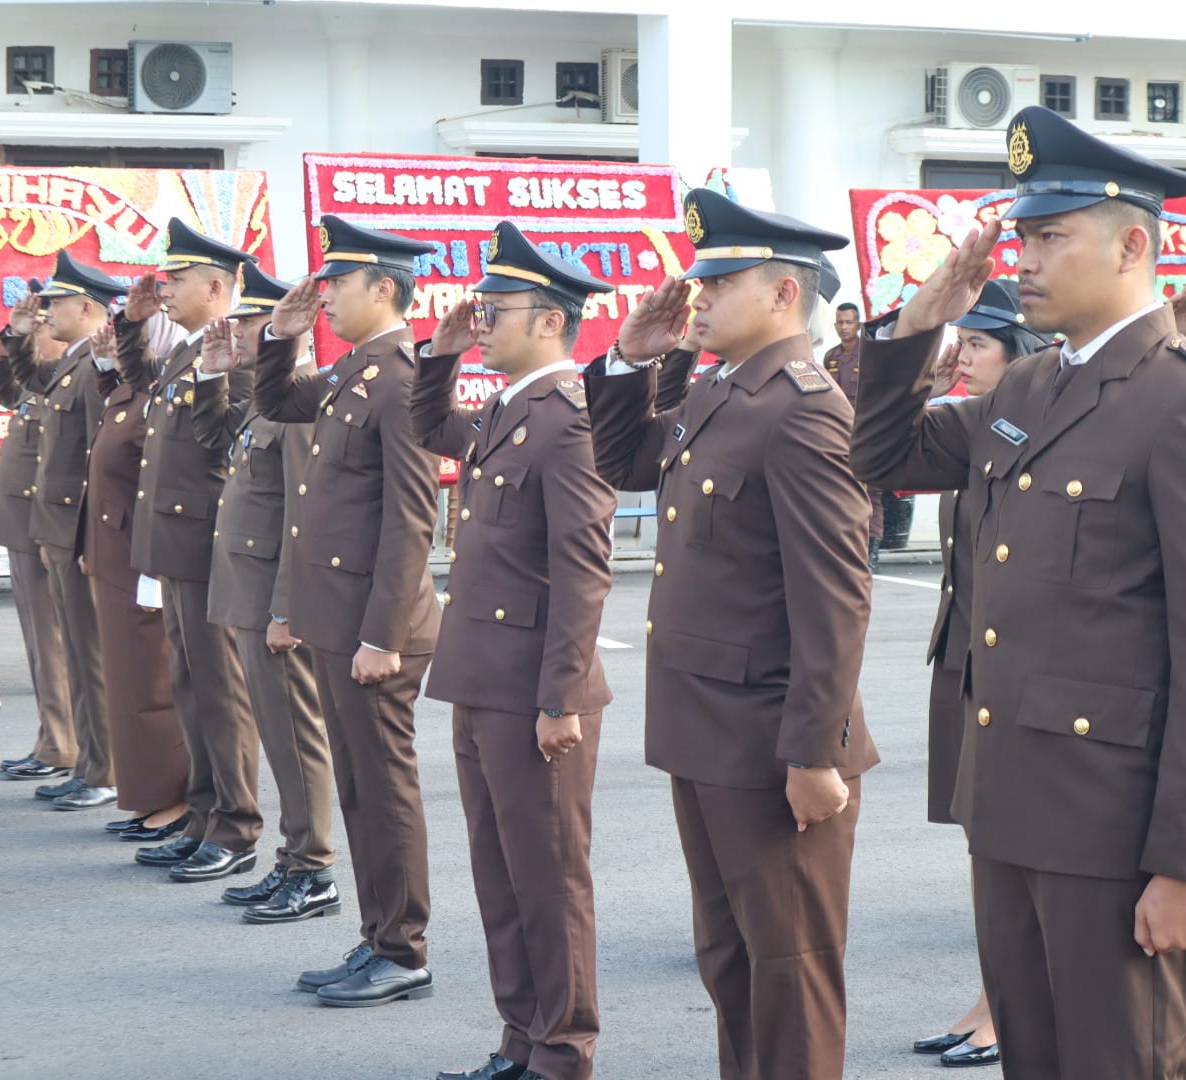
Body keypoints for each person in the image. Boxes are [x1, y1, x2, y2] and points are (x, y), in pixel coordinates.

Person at [850, 105, 1186, 1080]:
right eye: (1023, 236)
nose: (1024, 260)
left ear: (1132, 244)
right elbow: (883, 453)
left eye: (1050, 237)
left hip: (1118, 837)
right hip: (1014, 813)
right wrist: (925, 317)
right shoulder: (1028, 389)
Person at [586, 188, 880, 1080]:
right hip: (707, 733)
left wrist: (813, 753)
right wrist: (632, 361)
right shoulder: (725, 390)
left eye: (719, 279)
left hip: (768, 745)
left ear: (784, 295)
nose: (697, 296)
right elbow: (619, 462)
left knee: (788, 978)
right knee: (731, 965)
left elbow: (835, 596)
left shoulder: (802, 405)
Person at [415, 222, 616, 1080]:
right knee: (500, 877)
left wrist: (560, 697)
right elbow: (430, 424)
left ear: (548, 320)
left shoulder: (570, 418)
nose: (480, 319)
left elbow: (582, 570)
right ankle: (520, 1040)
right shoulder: (508, 407)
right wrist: (442, 351)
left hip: (534, 691)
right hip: (480, 680)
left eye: (494, 310)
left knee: (547, 880)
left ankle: (563, 1052)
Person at [255, 215, 442, 1008]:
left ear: (385, 290)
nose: (324, 295)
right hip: (340, 621)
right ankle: (378, 938)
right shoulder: (355, 371)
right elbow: (278, 401)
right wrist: (280, 335)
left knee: (382, 787)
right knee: (361, 790)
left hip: (376, 631)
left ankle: (402, 950)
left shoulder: (401, 376)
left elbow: (410, 516)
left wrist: (380, 635)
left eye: (339, 283)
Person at [910, 279, 1050, 1070]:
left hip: (1009, 668)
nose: (962, 357)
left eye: (979, 345)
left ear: (1021, 354)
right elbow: (884, 447)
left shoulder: (1037, 430)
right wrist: (925, 375)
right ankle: (992, 992)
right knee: (981, 842)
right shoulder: (971, 428)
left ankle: (1007, 1003)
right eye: (959, 342)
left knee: (1012, 844)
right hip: (963, 659)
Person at [190, 264, 339, 924]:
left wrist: (287, 606)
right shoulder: (266, 398)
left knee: (295, 734)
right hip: (246, 589)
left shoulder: (302, 401)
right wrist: (211, 376)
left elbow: (301, 516)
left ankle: (313, 869)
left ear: (286, 326)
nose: (239, 330)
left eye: (248, 322)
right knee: (277, 735)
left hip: (271, 598)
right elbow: (216, 447)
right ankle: (291, 857)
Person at [116, 218, 262, 883]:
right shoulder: (185, 349)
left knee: (220, 689)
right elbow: (135, 390)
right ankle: (202, 813)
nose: (165, 290)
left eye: (175, 281)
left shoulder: (249, 351)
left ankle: (236, 824)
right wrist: (130, 326)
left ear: (214, 285)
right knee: (189, 684)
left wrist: (214, 376)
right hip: (174, 544)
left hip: (208, 544)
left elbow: (225, 443)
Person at [3, 255, 119, 812]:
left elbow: (103, 459)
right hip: (59, 529)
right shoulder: (71, 365)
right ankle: (88, 761)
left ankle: (104, 768)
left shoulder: (94, 368)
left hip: (80, 533)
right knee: (77, 649)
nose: (46, 312)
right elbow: (23, 382)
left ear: (87, 308)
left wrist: (89, 540)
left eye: (54, 304)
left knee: (91, 656)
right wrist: (17, 336)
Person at [81, 319, 191, 843]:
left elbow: (158, 481)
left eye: (140, 343)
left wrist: (152, 563)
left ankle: (171, 799)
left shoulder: (159, 401)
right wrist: (109, 364)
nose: (131, 353)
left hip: (140, 557)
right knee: (127, 685)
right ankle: (146, 795)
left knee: (151, 685)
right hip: (115, 553)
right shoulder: (135, 394)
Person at [0, 308, 78, 785]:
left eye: (40, 327)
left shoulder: (64, 382)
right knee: (38, 642)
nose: (33, 337)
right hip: (23, 526)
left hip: (41, 525)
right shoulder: (40, 383)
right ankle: (52, 738)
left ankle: (62, 743)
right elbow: (7, 389)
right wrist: (6, 346)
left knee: (53, 643)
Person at [824, 300, 884, 568]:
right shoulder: (831, 357)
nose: (844, 327)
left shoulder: (870, 355)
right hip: (838, 434)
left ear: (859, 324)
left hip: (867, 431)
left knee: (871, 492)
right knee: (839, 490)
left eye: (849, 322)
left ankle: (873, 550)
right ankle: (848, 547)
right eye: (840, 322)